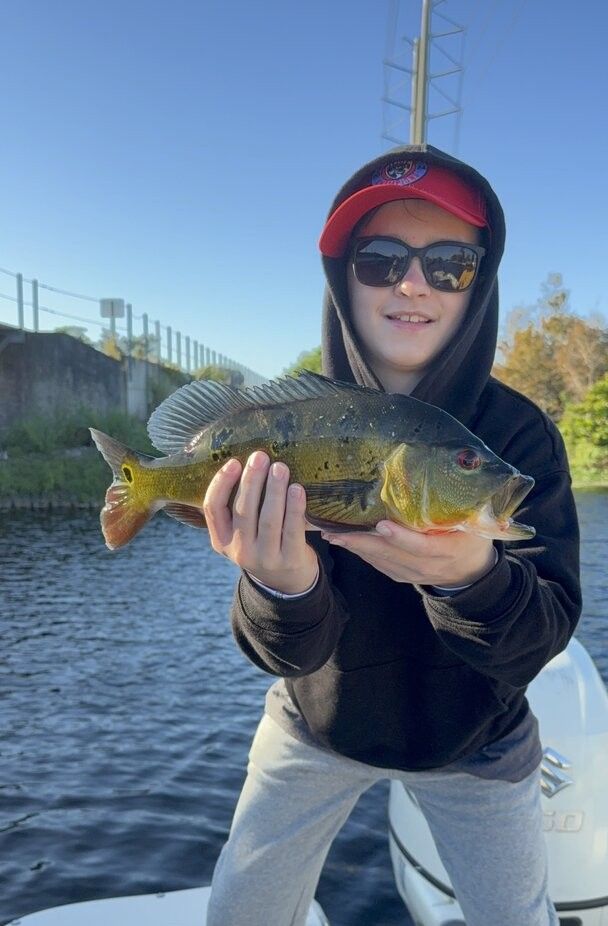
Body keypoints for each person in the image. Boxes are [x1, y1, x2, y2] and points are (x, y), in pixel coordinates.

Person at [203, 145, 581, 926]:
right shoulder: (287, 430)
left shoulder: (522, 439)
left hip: (477, 737)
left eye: (449, 263)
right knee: (241, 911)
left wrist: (473, 575)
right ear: (343, 279)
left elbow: (538, 639)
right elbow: (284, 654)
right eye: (379, 261)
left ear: (482, 280)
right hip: (317, 720)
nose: (413, 283)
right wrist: (284, 587)